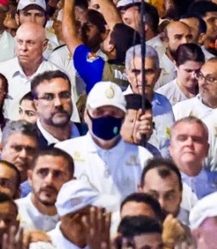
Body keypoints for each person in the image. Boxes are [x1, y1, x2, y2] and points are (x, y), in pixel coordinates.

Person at [56, 81, 153, 210]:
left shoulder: (143, 158)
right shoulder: (64, 153)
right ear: (86, 115)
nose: (106, 118)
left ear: (123, 118)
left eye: (114, 113)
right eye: (99, 112)